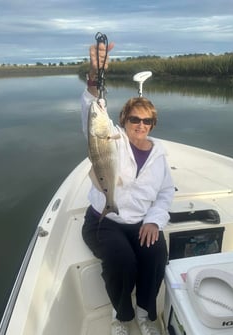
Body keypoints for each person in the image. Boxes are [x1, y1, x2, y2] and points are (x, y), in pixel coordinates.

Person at [81, 40, 175, 335]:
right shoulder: (111, 138)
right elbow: (90, 112)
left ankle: (147, 313)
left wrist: (154, 220)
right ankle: (122, 315)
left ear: (153, 125)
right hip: (104, 220)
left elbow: (165, 193)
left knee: (157, 254)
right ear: (123, 120)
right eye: (134, 119)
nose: (140, 124)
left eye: (147, 121)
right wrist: (95, 76)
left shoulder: (159, 155)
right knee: (121, 260)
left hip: (139, 221)